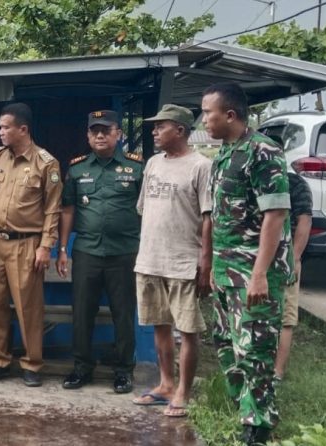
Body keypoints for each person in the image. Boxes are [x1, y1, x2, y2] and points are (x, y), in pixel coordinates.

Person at [201, 82, 293, 446]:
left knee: (255, 349)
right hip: (227, 269)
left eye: (207, 113)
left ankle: (259, 426)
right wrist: (212, 265)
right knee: (226, 342)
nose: (203, 120)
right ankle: (246, 409)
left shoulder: (263, 151)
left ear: (229, 115)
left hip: (254, 272)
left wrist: (259, 275)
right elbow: (220, 217)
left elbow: (275, 214)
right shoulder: (225, 154)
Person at [0, 103, 63, 387]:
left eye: (5, 127)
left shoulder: (46, 163)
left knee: (28, 307)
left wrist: (46, 246)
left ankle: (32, 364)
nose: (0, 132)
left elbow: (53, 209)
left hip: (26, 244)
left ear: (23, 129)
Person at [128, 104, 212, 417]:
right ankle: (165, 384)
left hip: (183, 261)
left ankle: (183, 393)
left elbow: (209, 218)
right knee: (160, 325)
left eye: (160, 126)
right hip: (150, 259)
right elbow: (144, 209)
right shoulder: (153, 163)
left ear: (180, 130)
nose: (154, 131)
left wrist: (205, 262)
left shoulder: (201, 166)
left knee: (187, 330)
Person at [57, 110, 143, 394]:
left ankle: (123, 371)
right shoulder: (77, 169)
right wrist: (62, 249)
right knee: (82, 313)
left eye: (106, 130)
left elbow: (147, 210)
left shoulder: (136, 168)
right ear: (88, 136)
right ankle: (82, 367)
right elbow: (68, 210)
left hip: (125, 253)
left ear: (119, 134)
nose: (100, 135)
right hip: (87, 252)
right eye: (95, 131)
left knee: (123, 314)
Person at [275, 172, 312, 381]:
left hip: (285, 258)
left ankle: (277, 372)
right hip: (253, 256)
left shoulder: (295, 183)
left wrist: (295, 257)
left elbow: (304, 221)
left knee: (286, 316)